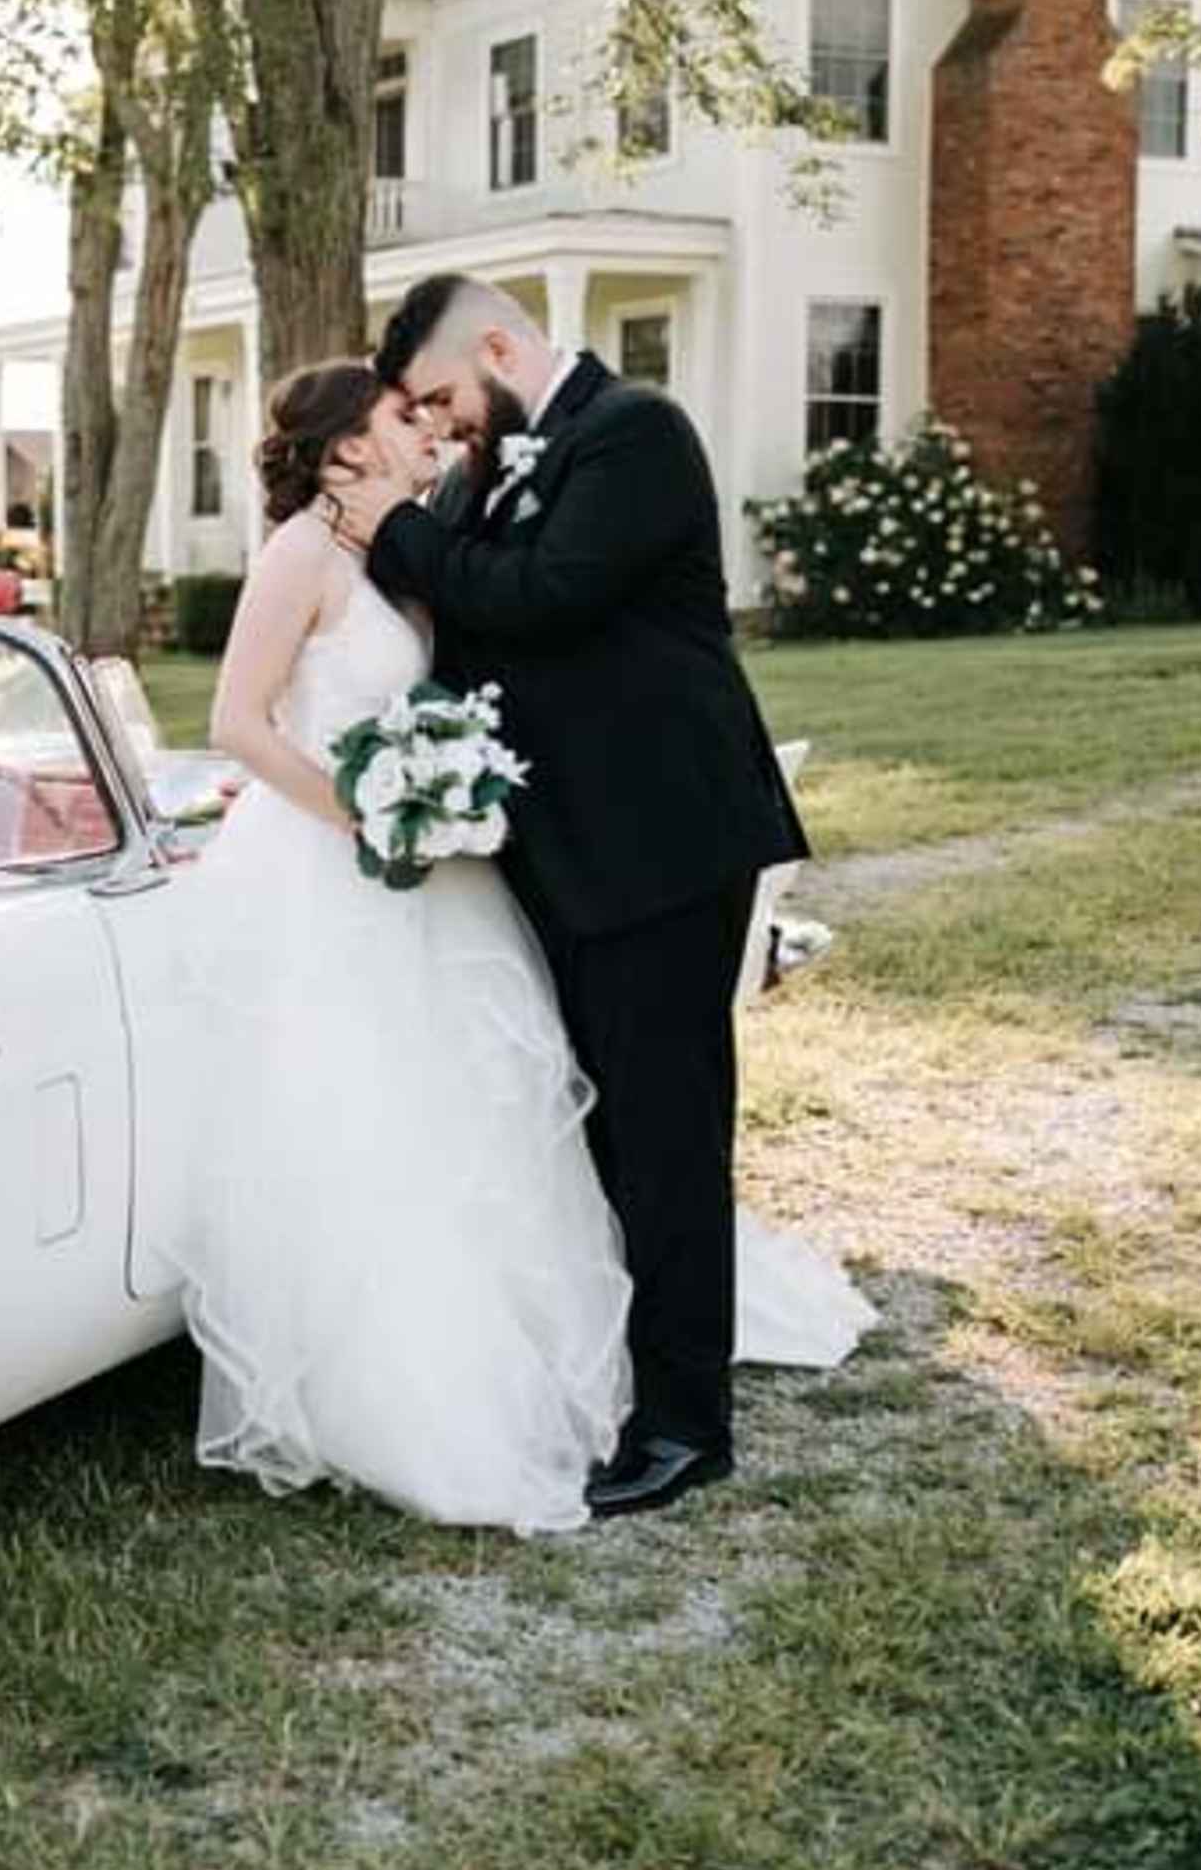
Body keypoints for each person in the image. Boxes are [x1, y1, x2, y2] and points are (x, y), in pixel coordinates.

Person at [161, 357, 865, 1536]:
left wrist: (436, 798)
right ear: (345, 452)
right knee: (377, 1113)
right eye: (402, 416)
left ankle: (554, 1354)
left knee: (502, 1105)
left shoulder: (412, 539)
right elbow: (238, 720)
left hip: (448, 876)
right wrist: (368, 814)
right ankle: (400, 1378)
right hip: (344, 869)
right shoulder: (297, 553)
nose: (427, 429)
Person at [321, 274, 827, 1516]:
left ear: (498, 346)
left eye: (444, 396)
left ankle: (685, 1424)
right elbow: (474, 632)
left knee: (666, 1132)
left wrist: (393, 523)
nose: (443, 429)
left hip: (663, 840)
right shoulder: (483, 476)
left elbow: (539, 599)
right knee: (605, 1125)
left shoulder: (636, 434)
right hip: (568, 849)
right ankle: (633, 1369)